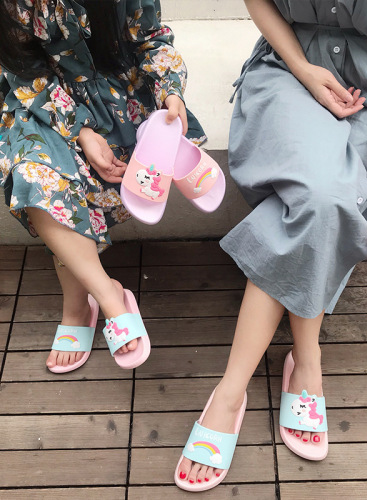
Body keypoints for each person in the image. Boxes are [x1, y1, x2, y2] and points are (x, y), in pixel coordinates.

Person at [176, 0, 367, 489]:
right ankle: (299, 366)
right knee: (320, 200)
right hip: (288, 67)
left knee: (321, 205)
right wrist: (302, 68)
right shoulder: (292, 64)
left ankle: (236, 391)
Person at [0, 0, 205, 370]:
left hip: (115, 93)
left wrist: (171, 90)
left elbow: (150, 39)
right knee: (35, 174)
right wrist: (79, 131)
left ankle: (79, 305)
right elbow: (24, 72)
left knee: (76, 180)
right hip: (43, 101)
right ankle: (107, 297)